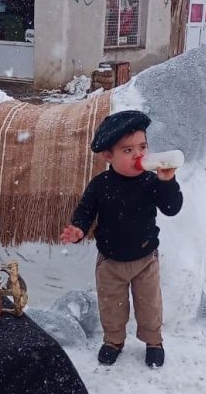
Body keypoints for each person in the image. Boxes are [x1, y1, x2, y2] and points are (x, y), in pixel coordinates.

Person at [59, 110, 183, 368]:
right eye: (127, 150)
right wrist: (78, 228)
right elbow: (85, 210)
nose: (138, 154)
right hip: (110, 261)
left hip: (145, 258)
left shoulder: (151, 181)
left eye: (142, 146)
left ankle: (153, 341)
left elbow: (171, 208)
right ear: (108, 156)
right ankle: (113, 341)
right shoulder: (100, 185)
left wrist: (168, 182)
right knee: (112, 307)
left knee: (149, 306)